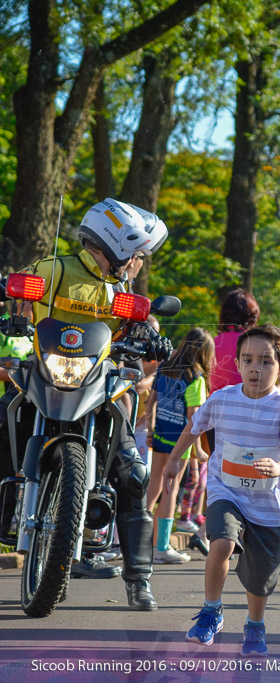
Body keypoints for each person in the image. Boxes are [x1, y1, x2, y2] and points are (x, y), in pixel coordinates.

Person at [1, 198, 170, 609]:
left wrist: (150, 338)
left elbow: (137, 329)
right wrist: (12, 308)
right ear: (120, 247)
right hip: (42, 377)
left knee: (133, 475)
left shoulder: (122, 294)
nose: (140, 264)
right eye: (139, 256)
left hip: (96, 388)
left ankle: (138, 579)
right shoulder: (54, 269)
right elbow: (19, 290)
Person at [163, 325, 280, 656]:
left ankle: (255, 625)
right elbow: (194, 426)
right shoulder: (222, 398)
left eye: (265, 361)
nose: (255, 368)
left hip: (268, 504)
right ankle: (211, 611)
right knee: (222, 542)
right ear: (238, 363)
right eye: (247, 360)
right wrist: (174, 461)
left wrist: (279, 468)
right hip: (226, 491)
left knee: (259, 579)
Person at [146, 326, 215, 563]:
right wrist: (197, 449)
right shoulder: (195, 378)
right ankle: (161, 547)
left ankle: (131, 540)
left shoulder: (165, 367)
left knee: (153, 488)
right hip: (180, 443)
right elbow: (194, 419)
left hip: (160, 435)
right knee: (170, 491)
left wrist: (150, 430)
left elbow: (150, 404)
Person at [209, 289, 260, 394]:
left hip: (215, 404)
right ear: (252, 315)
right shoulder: (255, 343)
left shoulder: (212, 343)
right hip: (245, 404)